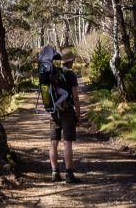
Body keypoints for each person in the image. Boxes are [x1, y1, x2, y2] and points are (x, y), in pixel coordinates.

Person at [49, 48, 81, 184]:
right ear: (71, 62)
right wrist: (78, 114)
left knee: (53, 142)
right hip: (67, 112)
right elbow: (75, 96)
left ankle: (55, 173)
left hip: (54, 112)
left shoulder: (54, 73)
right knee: (67, 142)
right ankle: (69, 174)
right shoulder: (71, 75)